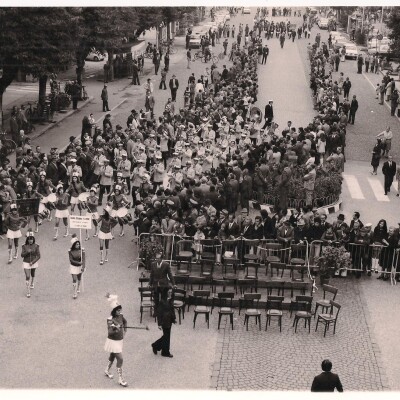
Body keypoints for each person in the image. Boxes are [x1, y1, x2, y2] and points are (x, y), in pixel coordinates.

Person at [104, 294, 128, 387]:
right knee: (120, 359)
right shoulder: (110, 319)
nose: (119, 311)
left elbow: (125, 322)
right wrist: (116, 329)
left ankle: (106, 370)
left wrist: (125, 330)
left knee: (112, 356)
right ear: (114, 311)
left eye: (120, 310)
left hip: (119, 340)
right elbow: (109, 332)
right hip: (113, 341)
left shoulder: (121, 316)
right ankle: (120, 379)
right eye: (118, 310)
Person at [152, 289, 176, 358]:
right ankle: (165, 352)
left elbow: (172, 310)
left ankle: (156, 346)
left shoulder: (170, 300)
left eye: (171, 292)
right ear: (166, 293)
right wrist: (159, 324)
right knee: (166, 336)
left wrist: (173, 319)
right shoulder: (162, 302)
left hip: (169, 320)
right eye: (169, 292)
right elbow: (159, 313)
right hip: (164, 321)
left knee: (166, 336)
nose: (170, 293)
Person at [21, 228, 41, 298]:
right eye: (29, 239)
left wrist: (33, 262)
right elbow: (22, 255)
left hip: (33, 262)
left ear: (33, 239)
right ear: (27, 239)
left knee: (32, 273)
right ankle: (28, 290)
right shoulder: (24, 246)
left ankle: (32, 282)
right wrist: (27, 252)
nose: (30, 240)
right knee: (27, 276)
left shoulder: (36, 246)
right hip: (26, 262)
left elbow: (39, 256)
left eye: (32, 239)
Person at [68, 234, 86, 299]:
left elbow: (83, 259)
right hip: (73, 266)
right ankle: (74, 292)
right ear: (74, 245)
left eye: (78, 244)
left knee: (79, 278)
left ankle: (78, 287)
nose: (78, 245)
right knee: (74, 279)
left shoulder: (82, 250)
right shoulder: (70, 251)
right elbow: (71, 260)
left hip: (79, 267)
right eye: (76, 244)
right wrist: (78, 262)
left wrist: (83, 266)